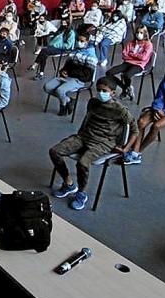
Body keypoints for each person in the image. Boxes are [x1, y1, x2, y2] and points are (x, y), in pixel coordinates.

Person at [49, 77, 137, 210]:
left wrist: (126, 148)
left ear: (113, 93)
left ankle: (81, 193)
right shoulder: (93, 102)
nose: (101, 93)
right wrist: (79, 135)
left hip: (103, 142)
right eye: (99, 90)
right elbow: (87, 119)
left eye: (105, 91)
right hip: (84, 136)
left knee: (83, 162)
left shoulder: (120, 110)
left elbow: (135, 130)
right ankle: (69, 183)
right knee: (55, 151)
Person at [43, 33, 98, 116]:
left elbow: (87, 75)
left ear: (87, 41)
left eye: (82, 41)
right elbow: (67, 65)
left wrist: (71, 73)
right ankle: (69, 100)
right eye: (78, 40)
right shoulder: (74, 52)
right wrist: (63, 71)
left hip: (79, 80)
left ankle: (63, 107)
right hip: (67, 77)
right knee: (47, 87)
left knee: (60, 90)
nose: (79, 42)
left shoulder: (91, 55)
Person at [106, 25, 154, 100]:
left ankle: (125, 91)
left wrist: (132, 54)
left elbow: (144, 57)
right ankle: (125, 88)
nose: (139, 34)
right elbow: (124, 54)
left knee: (127, 75)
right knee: (109, 72)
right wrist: (135, 56)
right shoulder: (131, 42)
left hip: (139, 65)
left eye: (141, 32)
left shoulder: (148, 44)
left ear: (145, 33)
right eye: (137, 32)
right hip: (128, 62)